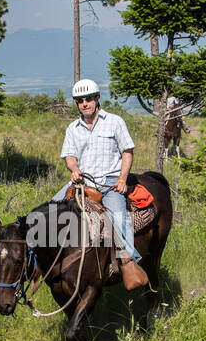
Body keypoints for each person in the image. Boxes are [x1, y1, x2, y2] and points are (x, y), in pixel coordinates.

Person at [53, 78, 148, 290]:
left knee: (118, 217)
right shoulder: (73, 128)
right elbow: (69, 155)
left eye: (88, 99)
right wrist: (74, 169)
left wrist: (123, 179)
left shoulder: (114, 121)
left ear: (97, 99)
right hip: (83, 181)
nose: (84, 104)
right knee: (51, 208)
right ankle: (43, 260)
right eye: (80, 101)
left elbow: (127, 152)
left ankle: (128, 262)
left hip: (109, 182)